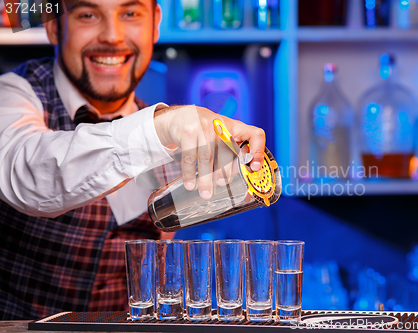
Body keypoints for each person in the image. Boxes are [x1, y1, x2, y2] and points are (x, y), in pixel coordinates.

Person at [0, 0, 266, 320]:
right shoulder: (13, 95)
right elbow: (24, 173)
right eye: (87, 14)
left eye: (130, 13)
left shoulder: (171, 132)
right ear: (54, 26)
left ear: (155, 24)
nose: (112, 36)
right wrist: (161, 127)